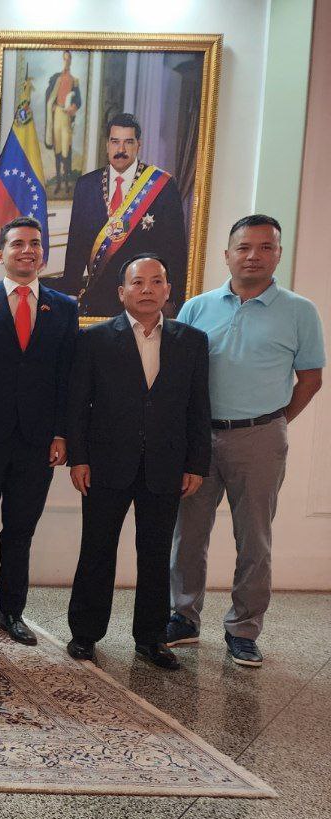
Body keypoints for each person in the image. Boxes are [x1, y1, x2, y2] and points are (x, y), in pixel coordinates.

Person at [168, 215, 324, 667]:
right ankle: (183, 617)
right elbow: (178, 374)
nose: (254, 256)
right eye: (244, 247)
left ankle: (243, 629)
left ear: (278, 254)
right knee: (188, 533)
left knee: (254, 537)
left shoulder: (299, 311)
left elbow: (310, 379)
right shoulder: (197, 307)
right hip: (198, 438)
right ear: (227, 254)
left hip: (260, 438)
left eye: (265, 247)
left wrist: (274, 422)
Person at [65, 253, 210, 671]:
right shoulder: (94, 339)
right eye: (138, 282)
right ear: (121, 291)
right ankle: (85, 634)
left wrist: (196, 464)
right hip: (106, 464)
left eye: (156, 281)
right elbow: (78, 406)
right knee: (97, 550)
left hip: (167, 466)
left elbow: (199, 407)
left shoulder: (191, 341)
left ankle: (150, 638)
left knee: (155, 554)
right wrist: (79, 459)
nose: (147, 289)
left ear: (168, 289)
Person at [0, 217, 78, 645]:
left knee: (20, 532)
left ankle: (12, 613)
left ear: (42, 253)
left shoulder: (64, 307)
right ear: (0, 254)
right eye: (17, 243)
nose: (27, 250)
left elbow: (68, 377)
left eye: (35, 243)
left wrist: (61, 433)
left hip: (37, 442)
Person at [61, 113, 188, 318]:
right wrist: (70, 293)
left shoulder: (162, 186)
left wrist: (171, 299)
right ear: (107, 145)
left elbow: (176, 249)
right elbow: (76, 245)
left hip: (144, 298)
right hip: (98, 298)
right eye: (115, 142)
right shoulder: (86, 185)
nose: (121, 150)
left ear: (139, 145)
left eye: (128, 142)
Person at [43, 51, 83, 190]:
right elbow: (49, 94)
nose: (66, 61)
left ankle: (66, 182)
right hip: (57, 116)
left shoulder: (74, 80)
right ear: (62, 60)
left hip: (66, 117)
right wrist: (52, 105)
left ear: (71, 61)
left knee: (66, 149)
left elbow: (78, 100)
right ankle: (59, 183)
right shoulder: (56, 78)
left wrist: (73, 107)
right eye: (64, 59)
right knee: (57, 149)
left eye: (68, 59)